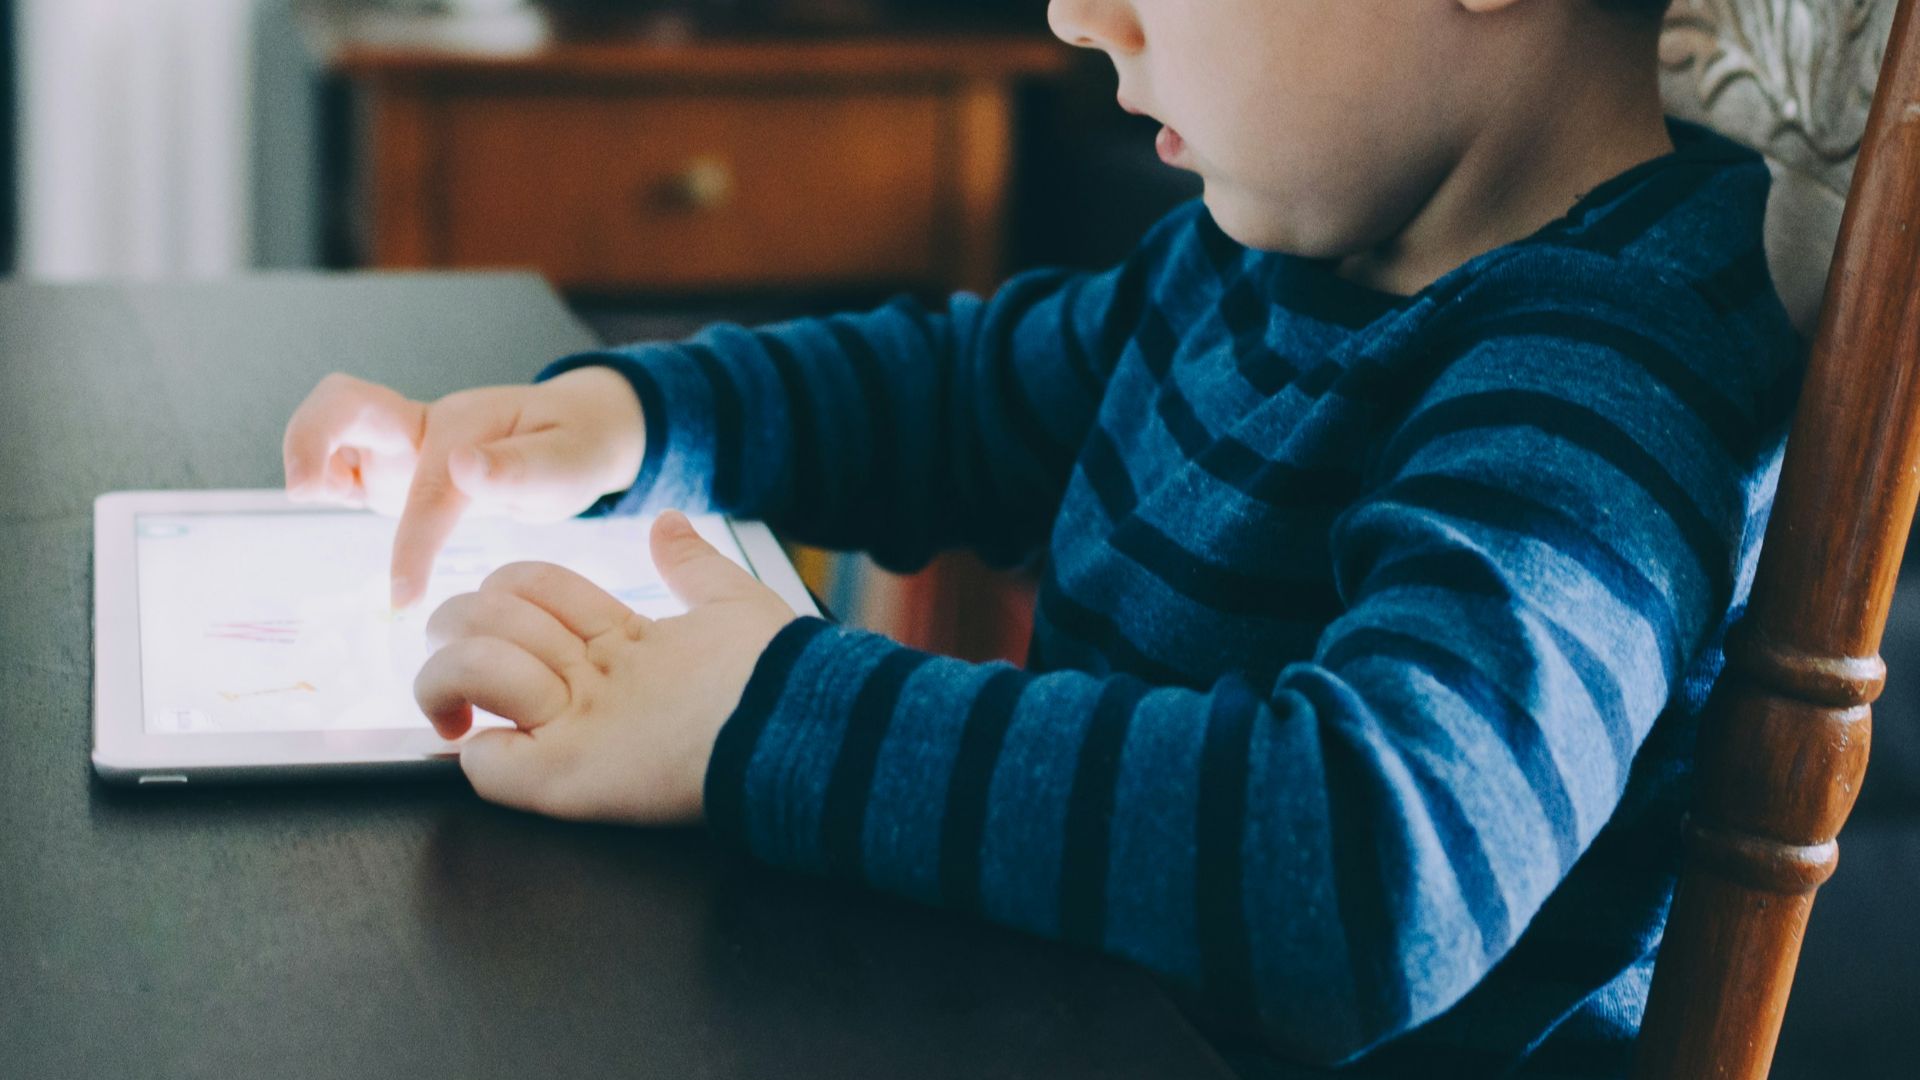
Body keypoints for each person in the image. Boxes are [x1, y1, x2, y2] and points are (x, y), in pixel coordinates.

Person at [281, 0, 1803, 1074]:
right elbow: (962, 398)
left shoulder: (1615, 370)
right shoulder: (1275, 251)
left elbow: (1371, 868)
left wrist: (770, 707)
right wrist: (631, 421)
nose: (1082, 15)